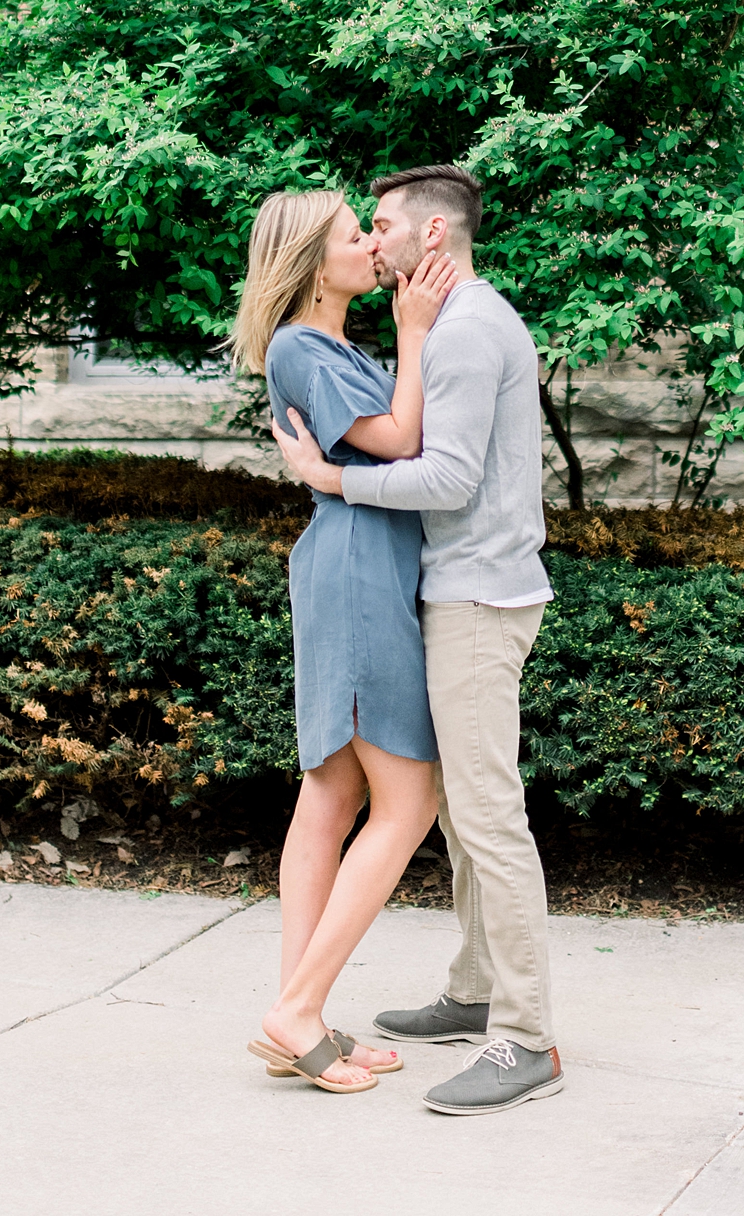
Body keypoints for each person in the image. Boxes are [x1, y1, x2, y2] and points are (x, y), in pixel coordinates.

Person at [273, 164, 563, 1118]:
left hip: (477, 598)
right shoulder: (434, 328)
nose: (374, 239)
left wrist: (335, 481)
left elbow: (441, 476)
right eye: (361, 230)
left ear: (431, 237)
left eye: (384, 225)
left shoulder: (469, 329)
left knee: (484, 817)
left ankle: (524, 1038)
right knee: (455, 814)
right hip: (451, 589)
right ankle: (477, 989)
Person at [228, 186, 457, 1095]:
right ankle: (298, 1008)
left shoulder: (328, 345)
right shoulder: (300, 344)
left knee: (330, 794)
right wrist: (416, 332)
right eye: (350, 235)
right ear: (309, 262)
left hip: (357, 565)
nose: (368, 244)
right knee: (409, 804)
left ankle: (301, 1016)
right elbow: (400, 439)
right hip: (357, 572)